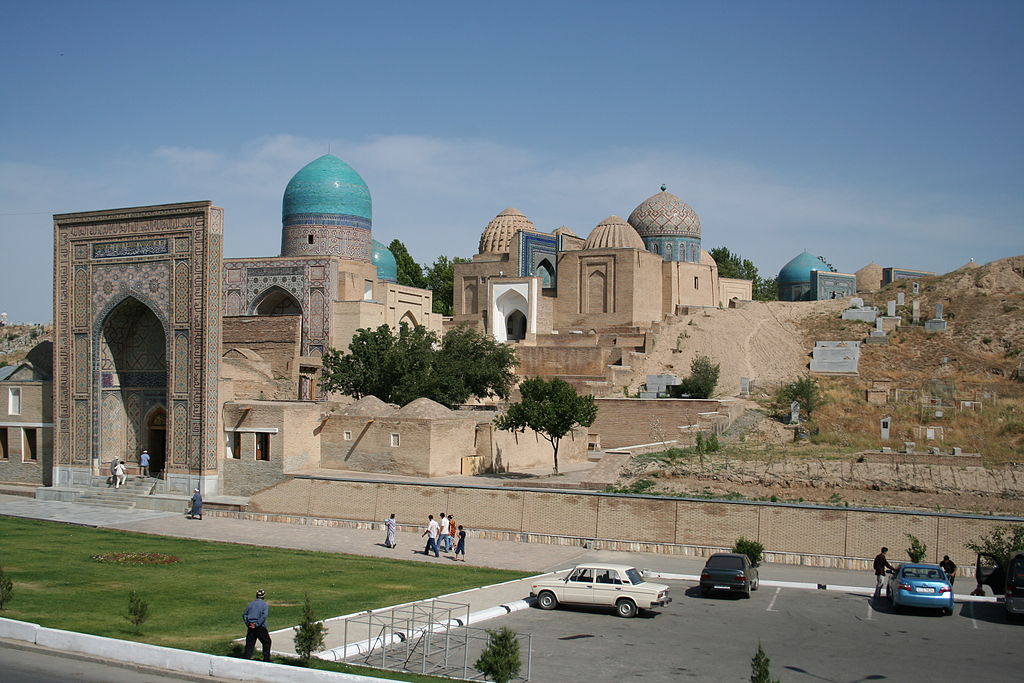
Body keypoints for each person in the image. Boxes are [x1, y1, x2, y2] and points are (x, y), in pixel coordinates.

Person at [242, 589, 272, 662]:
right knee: (267, 642)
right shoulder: (264, 605)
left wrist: (248, 623)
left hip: (250, 626)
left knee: (250, 643)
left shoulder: (251, 604)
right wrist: (257, 624)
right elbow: (264, 616)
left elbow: (244, 614)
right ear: (264, 596)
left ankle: (246, 658)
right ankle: (266, 659)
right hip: (260, 627)